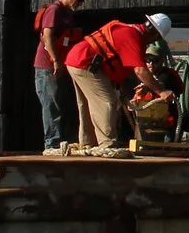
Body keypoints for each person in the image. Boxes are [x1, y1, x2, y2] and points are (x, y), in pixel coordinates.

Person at [65, 13, 172, 150]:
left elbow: (121, 69)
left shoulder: (130, 32)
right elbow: (140, 70)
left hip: (79, 60)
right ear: (156, 35)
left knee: (87, 104)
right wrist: (161, 91)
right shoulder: (133, 37)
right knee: (107, 103)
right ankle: (107, 144)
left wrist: (126, 95)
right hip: (85, 62)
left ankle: (88, 143)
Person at [32, 0, 90, 152]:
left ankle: (58, 141)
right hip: (47, 67)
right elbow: (47, 37)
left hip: (58, 66)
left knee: (59, 104)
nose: (79, 4)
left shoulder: (66, 14)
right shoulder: (54, 10)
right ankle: (52, 144)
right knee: (51, 106)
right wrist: (56, 61)